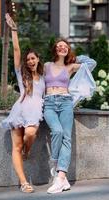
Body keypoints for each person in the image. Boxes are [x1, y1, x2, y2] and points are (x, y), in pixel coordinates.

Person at [44, 38, 96, 194]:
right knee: (57, 131)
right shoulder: (47, 65)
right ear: (55, 49)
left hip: (66, 102)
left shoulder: (71, 66)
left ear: (68, 50)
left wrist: (76, 57)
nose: (62, 48)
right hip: (49, 104)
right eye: (59, 46)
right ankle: (55, 165)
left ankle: (60, 177)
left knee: (66, 138)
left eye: (65, 46)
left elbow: (92, 63)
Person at [0, 13, 45, 193]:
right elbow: (17, 50)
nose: (30, 61)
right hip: (19, 111)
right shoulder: (22, 74)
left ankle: (27, 151)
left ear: (38, 59)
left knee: (30, 134)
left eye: (33, 58)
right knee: (16, 147)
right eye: (28, 60)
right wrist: (14, 30)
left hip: (34, 112)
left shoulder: (43, 77)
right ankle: (24, 182)